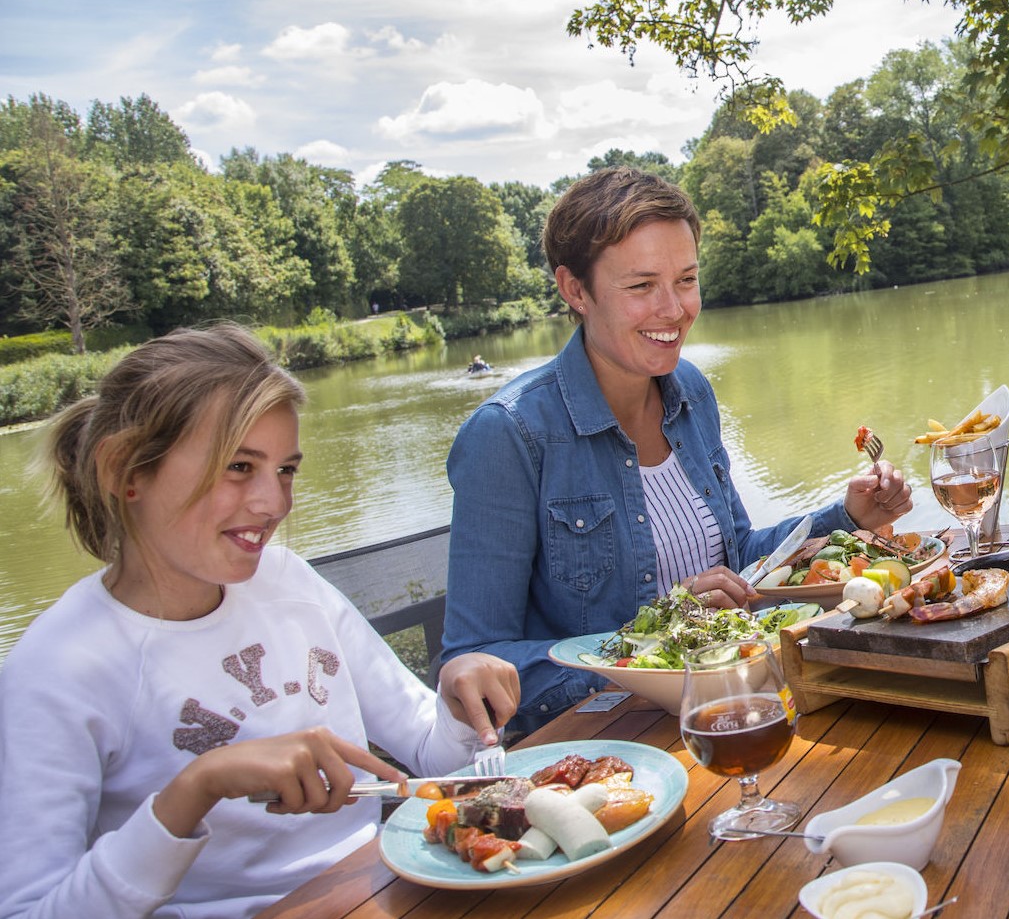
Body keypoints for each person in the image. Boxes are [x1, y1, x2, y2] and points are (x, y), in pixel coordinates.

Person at [0, 325, 519, 919]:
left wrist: (459, 702)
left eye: (286, 470)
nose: (273, 503)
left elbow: (432, 758)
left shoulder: (288, 580)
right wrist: (192, 793)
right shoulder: (55, 669)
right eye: (240, 467)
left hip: (382, 891)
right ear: (125, 471)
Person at [439, 167, 913, 730]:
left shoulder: (690, 391)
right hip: (611, 742)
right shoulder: (510, 434)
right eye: (641, 286)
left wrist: (845, 517)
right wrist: (657, 632)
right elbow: (474, 664)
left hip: (738, 706)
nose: (674, 309)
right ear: (575, 290)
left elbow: (735, 559)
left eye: (686, 279)